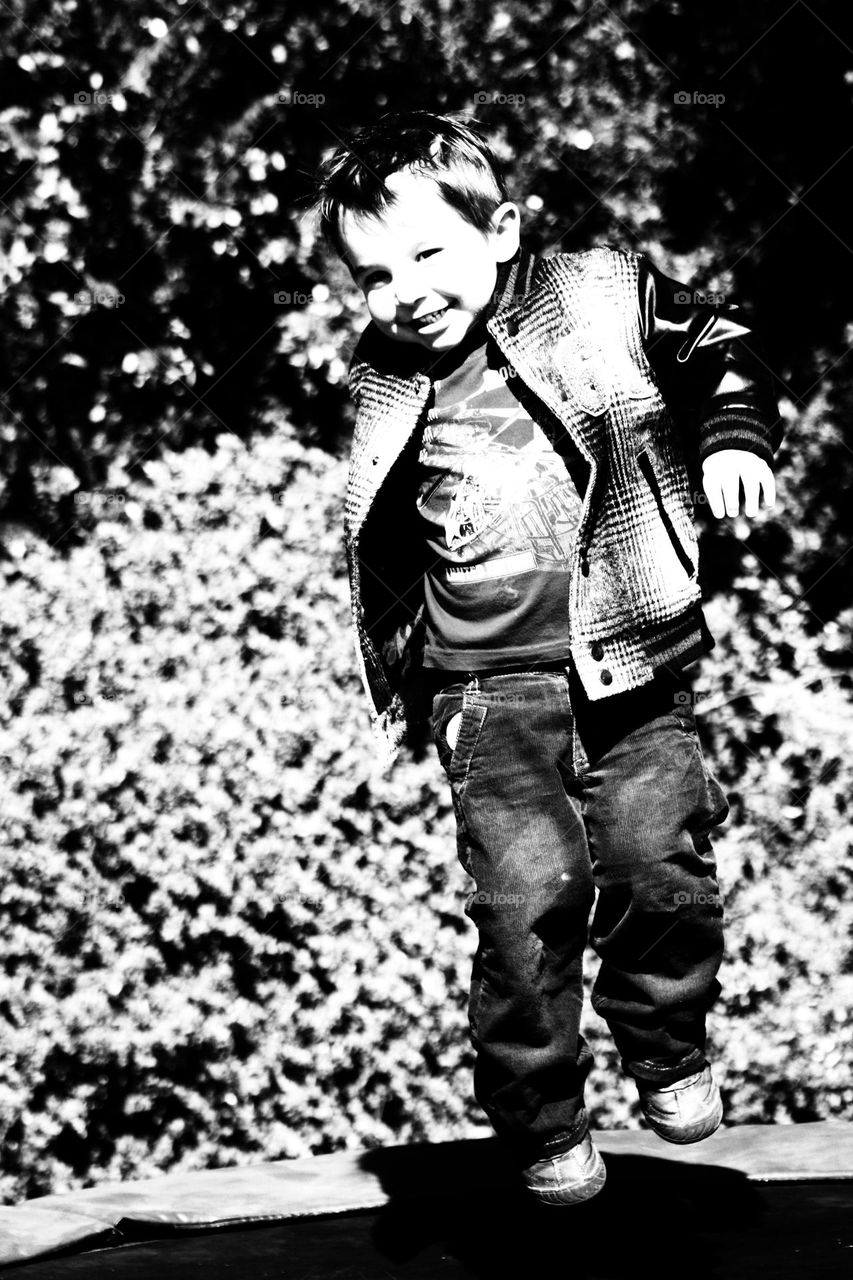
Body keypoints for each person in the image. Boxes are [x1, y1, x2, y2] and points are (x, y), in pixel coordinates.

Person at [311, 110, 782, 1205]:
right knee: (525, 907)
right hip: (487, 692)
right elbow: (381, 539)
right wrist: (406, 675)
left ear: (503, 228)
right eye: (375, 274)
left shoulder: (598, 294)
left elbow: (721, 346)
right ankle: (541, 1118)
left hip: (627, 660)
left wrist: (733, 439)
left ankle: (665, 1044)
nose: (407, 289)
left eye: (430, 252)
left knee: (656, 860)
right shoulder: (384, 379)